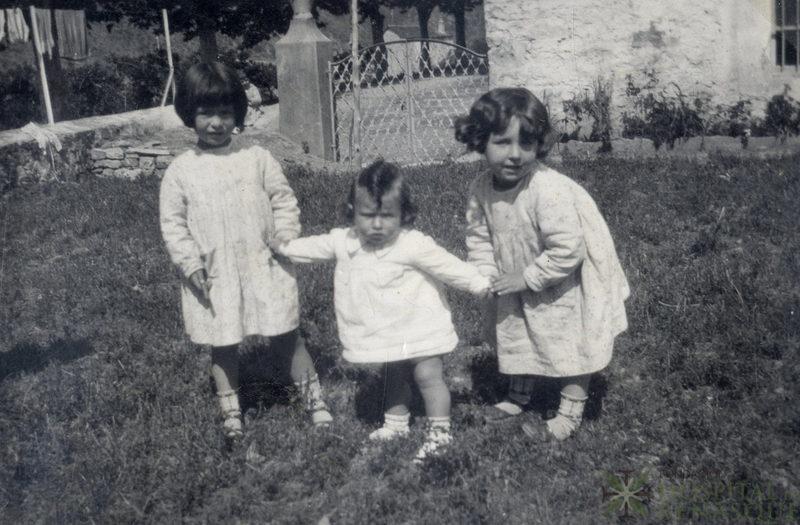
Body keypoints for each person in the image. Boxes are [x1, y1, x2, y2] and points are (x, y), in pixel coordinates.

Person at [270, 160, 492, 462]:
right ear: (353, 211)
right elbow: (314, 247)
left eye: (387, 216)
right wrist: (284, 248)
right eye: (367, 215)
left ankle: (439, 433)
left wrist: (480, 283)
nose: (377, 225)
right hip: (387, 329)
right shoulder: (345, 242)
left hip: (421, 325)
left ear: (403, 214)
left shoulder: (411, 244)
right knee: (392, 375)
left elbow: (448, 266)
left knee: (428, 376)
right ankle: (396, 424)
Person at [159, 61, 332, 441]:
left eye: (225, 113)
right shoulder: (181, 171)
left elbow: (283, 200)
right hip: (215, 271)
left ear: (237, 112)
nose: (216, 123)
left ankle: (314, 400)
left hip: (264, 263)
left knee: (286, 333)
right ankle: (231, 410)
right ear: (189, 114)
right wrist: (191, 266)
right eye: (206, 114)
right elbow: (174, 226)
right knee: (223, 341)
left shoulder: (257, 157)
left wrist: (284, 236)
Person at [455, 87, 630, 441]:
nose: (515, 154)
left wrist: (529, 276)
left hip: (564, 280)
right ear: (480, 141)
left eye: (527, 143)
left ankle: (570, 411)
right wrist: (486, 273)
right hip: (514, 276)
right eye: (503, 143)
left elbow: (568, 249)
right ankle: (519, 395)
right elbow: (479, 238)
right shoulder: (481, 188)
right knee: (517, 329)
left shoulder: (546, 189)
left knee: (570, 340)